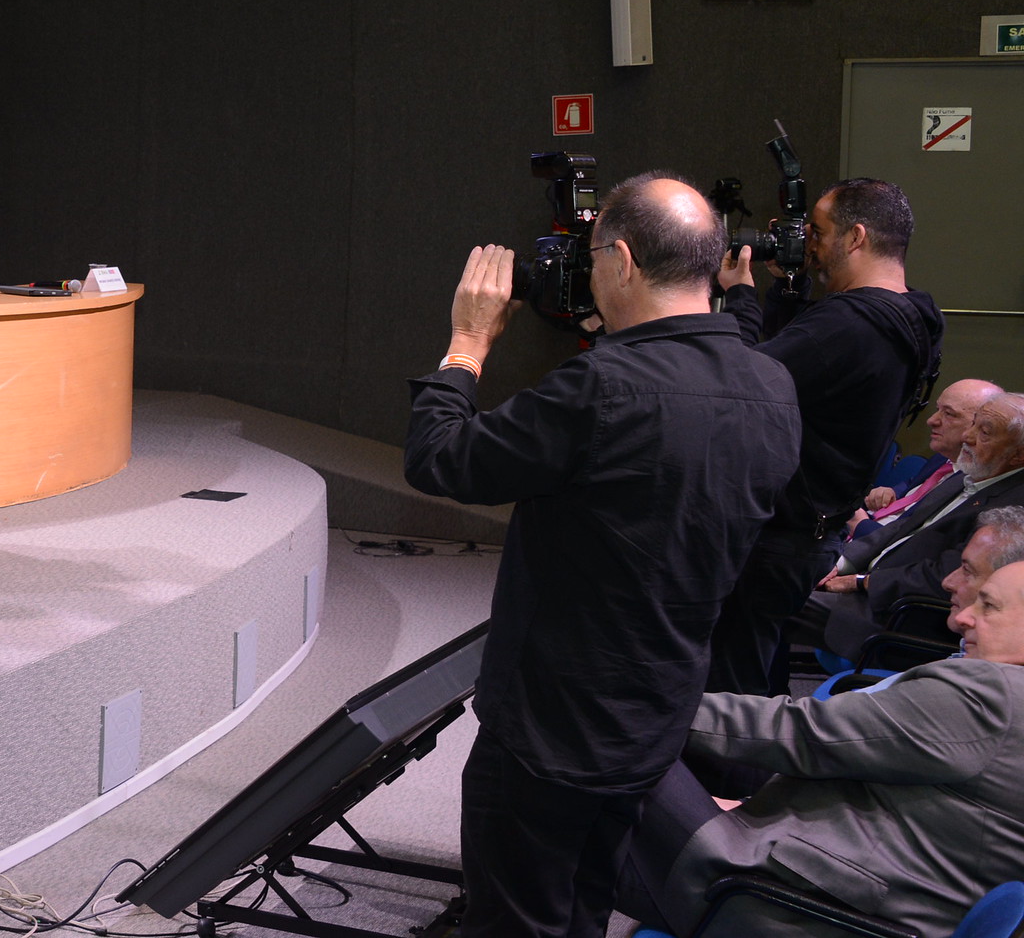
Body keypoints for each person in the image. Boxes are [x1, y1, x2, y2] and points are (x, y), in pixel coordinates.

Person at [402, 174, 803, 938]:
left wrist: (467, 343)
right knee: (588, 903)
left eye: (591, 260)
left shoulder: (602, 388)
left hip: (551, 726)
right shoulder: (772, 385)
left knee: (515, 919)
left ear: (621, 260)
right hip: (657, 716)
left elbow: (440, 458)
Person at [616, 559, 1024, 937]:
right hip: (854, 908)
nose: (964, 617)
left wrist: (643, 704)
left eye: (988, 606)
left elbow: (798, 731)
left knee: (603, 730)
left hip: (779, 904)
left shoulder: (995, 697)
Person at [705, 178, 944, 696]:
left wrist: (740, 294)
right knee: (758, 669)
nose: (808, 243)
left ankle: (730, 755)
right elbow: (808, 365)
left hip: (781, 538)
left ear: (856, 237)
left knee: (730, 687)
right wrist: (788, 287)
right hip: (817, 528)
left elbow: (740, 383)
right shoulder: (912, 315)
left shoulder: (850, 324)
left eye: (817, 232)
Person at [793, 393, 1024, 661]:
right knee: (775, 574)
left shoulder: (1013, 508)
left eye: (984, 432)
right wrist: (843, 563)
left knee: (769, 599)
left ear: (1018, 455)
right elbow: (900, 527)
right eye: (973, 424)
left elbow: (946, 576)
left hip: (894, 610)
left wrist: (861, 582)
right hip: (867, 581)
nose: (966, 436)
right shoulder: (972, 471)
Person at [856, 378, 1001, 527]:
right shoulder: (944, 458)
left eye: (949, 414)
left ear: (981, 426)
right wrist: (889, 492)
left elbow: (911, 535)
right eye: (938, 409)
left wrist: (860, 525)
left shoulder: (974, 484)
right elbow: (912, 486)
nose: (932, 420)